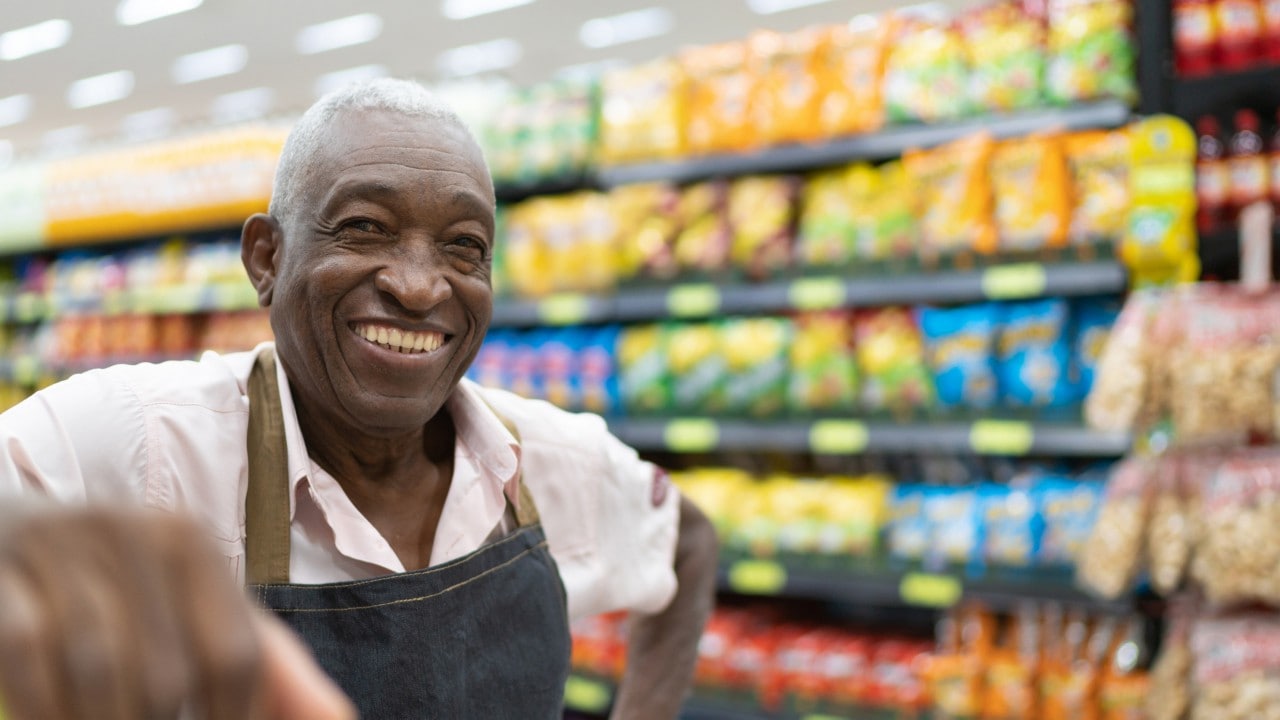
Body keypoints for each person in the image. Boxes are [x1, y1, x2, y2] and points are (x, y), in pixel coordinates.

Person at [0, 77, 718, 720]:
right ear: (267, 259)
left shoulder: (547, 459)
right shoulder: (145, 444)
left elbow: (687, 539)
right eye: (364, 227)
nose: (419, 284)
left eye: (464, 245)